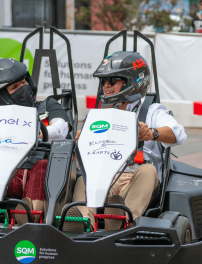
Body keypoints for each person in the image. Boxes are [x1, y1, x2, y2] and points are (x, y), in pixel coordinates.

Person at [66, 51, 187, 232]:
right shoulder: (98, 114)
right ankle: (82, 222)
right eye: (104, 81)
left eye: (112, 80)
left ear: (132, 82)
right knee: (85, 177)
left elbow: (178, 134)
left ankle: (125, 221)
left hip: (136, 178)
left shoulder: (151, 111)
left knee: (147, 170)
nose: (106, 86)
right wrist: (80, 142)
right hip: (105, 179)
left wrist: (150, 133)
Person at [0, 58, 71, 225]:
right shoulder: (0, 114)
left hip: (37, 170)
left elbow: (61, 129)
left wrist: (34, 133)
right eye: (15, 87)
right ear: (2, 95)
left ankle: (28, 215)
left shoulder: (47, 105)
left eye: (23, 82)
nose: (23, 88)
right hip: (6, 175)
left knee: (43, 165)